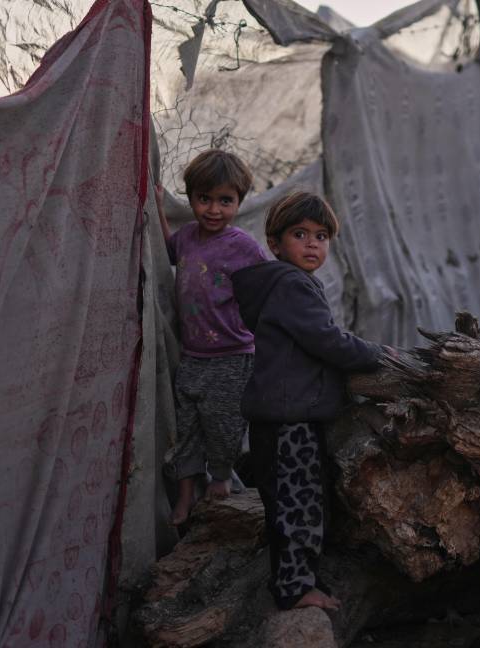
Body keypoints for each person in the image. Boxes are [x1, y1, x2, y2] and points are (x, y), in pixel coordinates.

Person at [232, 192, 387, 611]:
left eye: (321, 236)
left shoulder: (286, 284)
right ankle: (295, 588)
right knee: (298, 503)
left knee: (287, 500)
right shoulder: (292, 285)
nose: (313, 243)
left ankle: (294, 578)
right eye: (300, 234)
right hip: (289, 419)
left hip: (281, 416)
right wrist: (377, 356)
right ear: (275, 242)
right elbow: (327, 340)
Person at [155, 149, 269, 526]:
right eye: (204, 199)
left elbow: (267, 289)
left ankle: (220, 482)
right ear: (191, 199)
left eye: (225, 201)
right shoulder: (186, 237)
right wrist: (156, 207)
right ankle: (186, 497)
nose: (214, 210)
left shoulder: (244, 247)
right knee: (187, 429)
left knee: (223, 428)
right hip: (193, 356)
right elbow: (164, 251)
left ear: (239, 201)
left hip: (232, 356)